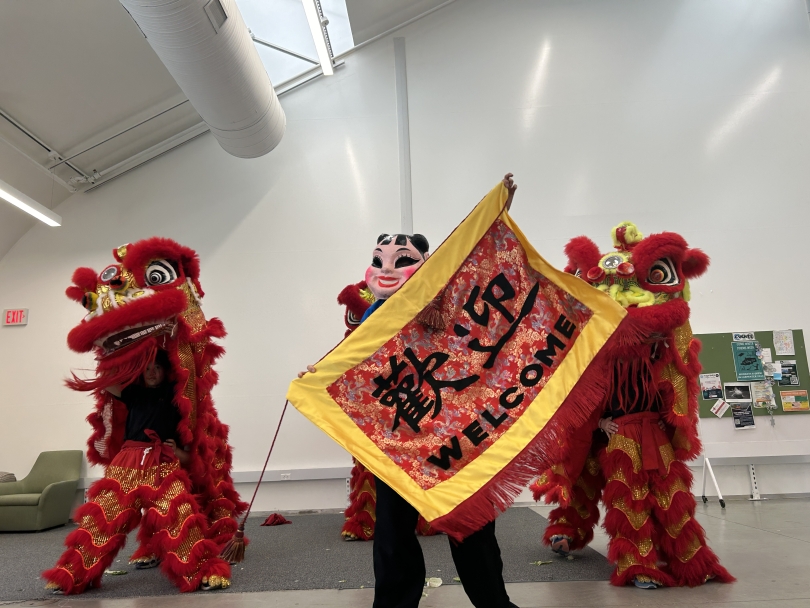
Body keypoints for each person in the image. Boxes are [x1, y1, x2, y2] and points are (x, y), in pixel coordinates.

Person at [300, 174, 520, 608]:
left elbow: (478, 260)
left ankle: (495, 605)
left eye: (400, 260)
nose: (386, 268)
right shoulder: (371, 320)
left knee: (471, 527)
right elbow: (355, 365)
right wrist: (321, 374)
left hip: (452, 439)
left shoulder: (446, 307)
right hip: (398, 442)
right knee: (392, 533)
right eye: (379, 259)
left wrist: (500, 209)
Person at [43, 350, 231, 594]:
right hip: (127, 464)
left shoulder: (176, 395)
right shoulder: (133, 393)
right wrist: (110, 348)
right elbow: (108, 380)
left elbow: (190, 377)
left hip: (163, 464)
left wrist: (176, 452)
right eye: (147, 368)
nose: (152, 372)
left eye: (157, 368)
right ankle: (73, 574)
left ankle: (199, 571)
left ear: (166, 371)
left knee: (179, 517)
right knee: (102, 520)